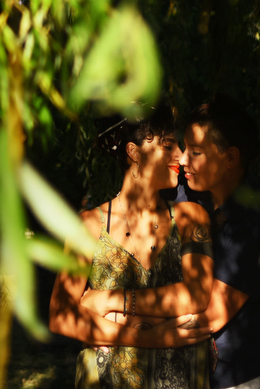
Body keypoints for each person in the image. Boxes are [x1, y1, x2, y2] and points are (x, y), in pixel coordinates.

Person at [49, 106, 216, 388]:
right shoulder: (88, 226)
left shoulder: (191, 219)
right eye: (167, 145)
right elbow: (62, 316)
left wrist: (108, 302)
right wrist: (150, 337)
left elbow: (197, 296)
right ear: (134, 153)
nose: (180, 155)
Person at [175, 95, 260, 389]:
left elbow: (208, 316)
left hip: (247, 380)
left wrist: (126, 315)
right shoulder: (191, 196)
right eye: (184, 148)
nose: (182, 159)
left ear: (230, 158)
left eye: (195, 151)